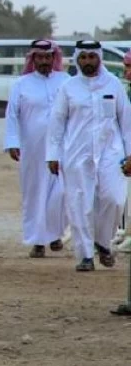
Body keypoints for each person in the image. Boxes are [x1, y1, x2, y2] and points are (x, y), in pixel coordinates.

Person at [46, 40, 131, 272]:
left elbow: (126, 124)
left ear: (99, 58)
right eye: (83, 57)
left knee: (114, 199)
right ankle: (85, 255)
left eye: (91, 57)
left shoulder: (113, 85)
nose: (87, 62)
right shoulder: (68, 87)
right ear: (77, 59)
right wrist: (52, 155)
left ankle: (103, 242)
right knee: (79, 203)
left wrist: (130, 154)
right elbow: (57, 122)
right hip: (77, 153)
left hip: (111, 153)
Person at [4, 39, 69, 257]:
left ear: (54, 58)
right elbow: (12, 115)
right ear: (33, 59)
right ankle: (38, 241)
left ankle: (55, 233)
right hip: (32, 149)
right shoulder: (21, 84)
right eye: (39, 57)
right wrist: (12, 142)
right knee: (35, 194)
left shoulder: (66, 81)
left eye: (48, 57)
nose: (44, 61)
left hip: (62, 147)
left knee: (61, 192)